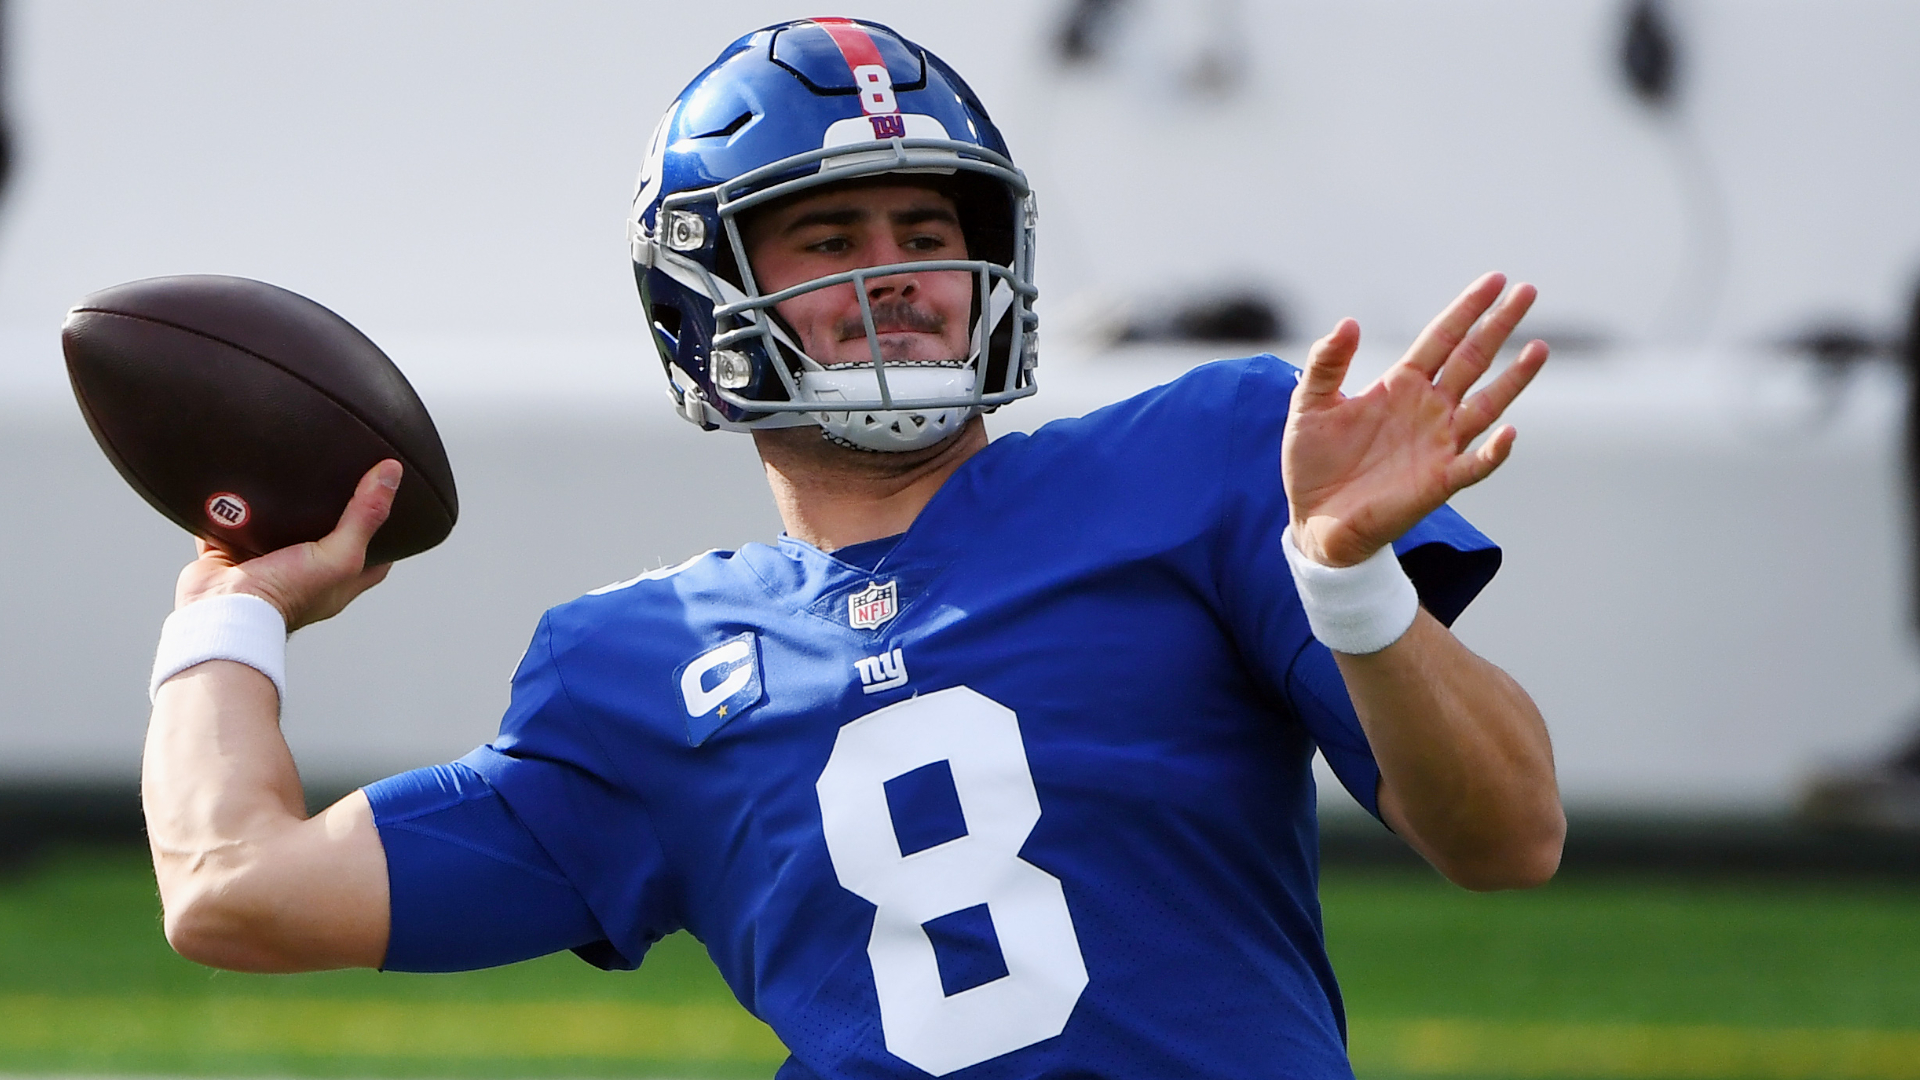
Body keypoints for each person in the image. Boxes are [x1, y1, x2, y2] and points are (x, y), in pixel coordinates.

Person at [139, 18, 1562, 1079]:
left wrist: (1350, 586)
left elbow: (1509, 837)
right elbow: (234, 891)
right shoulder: (635, 668)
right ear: (702, 296)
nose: (897, 277)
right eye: (827, 240)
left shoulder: (1213, 454)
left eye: (926, 229)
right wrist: (228, 607)